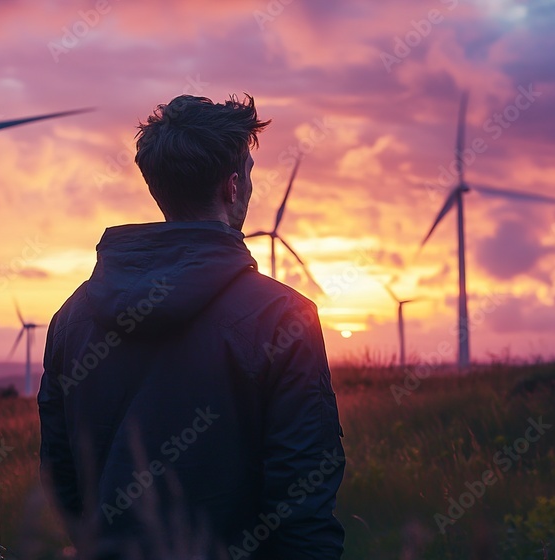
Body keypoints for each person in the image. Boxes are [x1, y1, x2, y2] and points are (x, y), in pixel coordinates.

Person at [38, 94, 345, 560]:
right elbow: (302, 504)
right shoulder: (285, 318)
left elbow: (62, 479)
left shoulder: (70, 319)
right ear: (233, 186)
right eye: (249, 173)